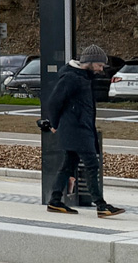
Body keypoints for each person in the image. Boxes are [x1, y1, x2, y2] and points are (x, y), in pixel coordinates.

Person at [44, 44, 126, 217]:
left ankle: (55, 201)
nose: (101, 69)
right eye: (99, 65)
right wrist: (54, 124)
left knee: (69, 165)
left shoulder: (84, 77)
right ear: (89, 62)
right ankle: (101, 205)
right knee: (92, 165)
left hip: (80, 128)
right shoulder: (71, 78)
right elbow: (53, 102)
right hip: (77, 130)